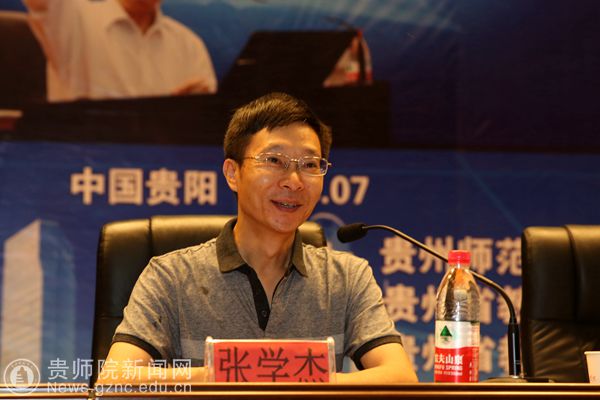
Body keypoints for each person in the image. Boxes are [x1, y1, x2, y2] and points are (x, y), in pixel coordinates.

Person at [97, 92, 417, 385]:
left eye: (309, 165)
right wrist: (221, 376)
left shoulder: (347, 278)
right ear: (232, 173)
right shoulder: (170, 276)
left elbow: (401, 378)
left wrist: (292, 380)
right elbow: (114, 379)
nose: (293, 181)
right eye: (274, 161)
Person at [23, 0, 217, 102]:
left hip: (167, 161)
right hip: (85, 159)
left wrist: (185, 111)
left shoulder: (189, 45)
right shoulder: (73, 18)